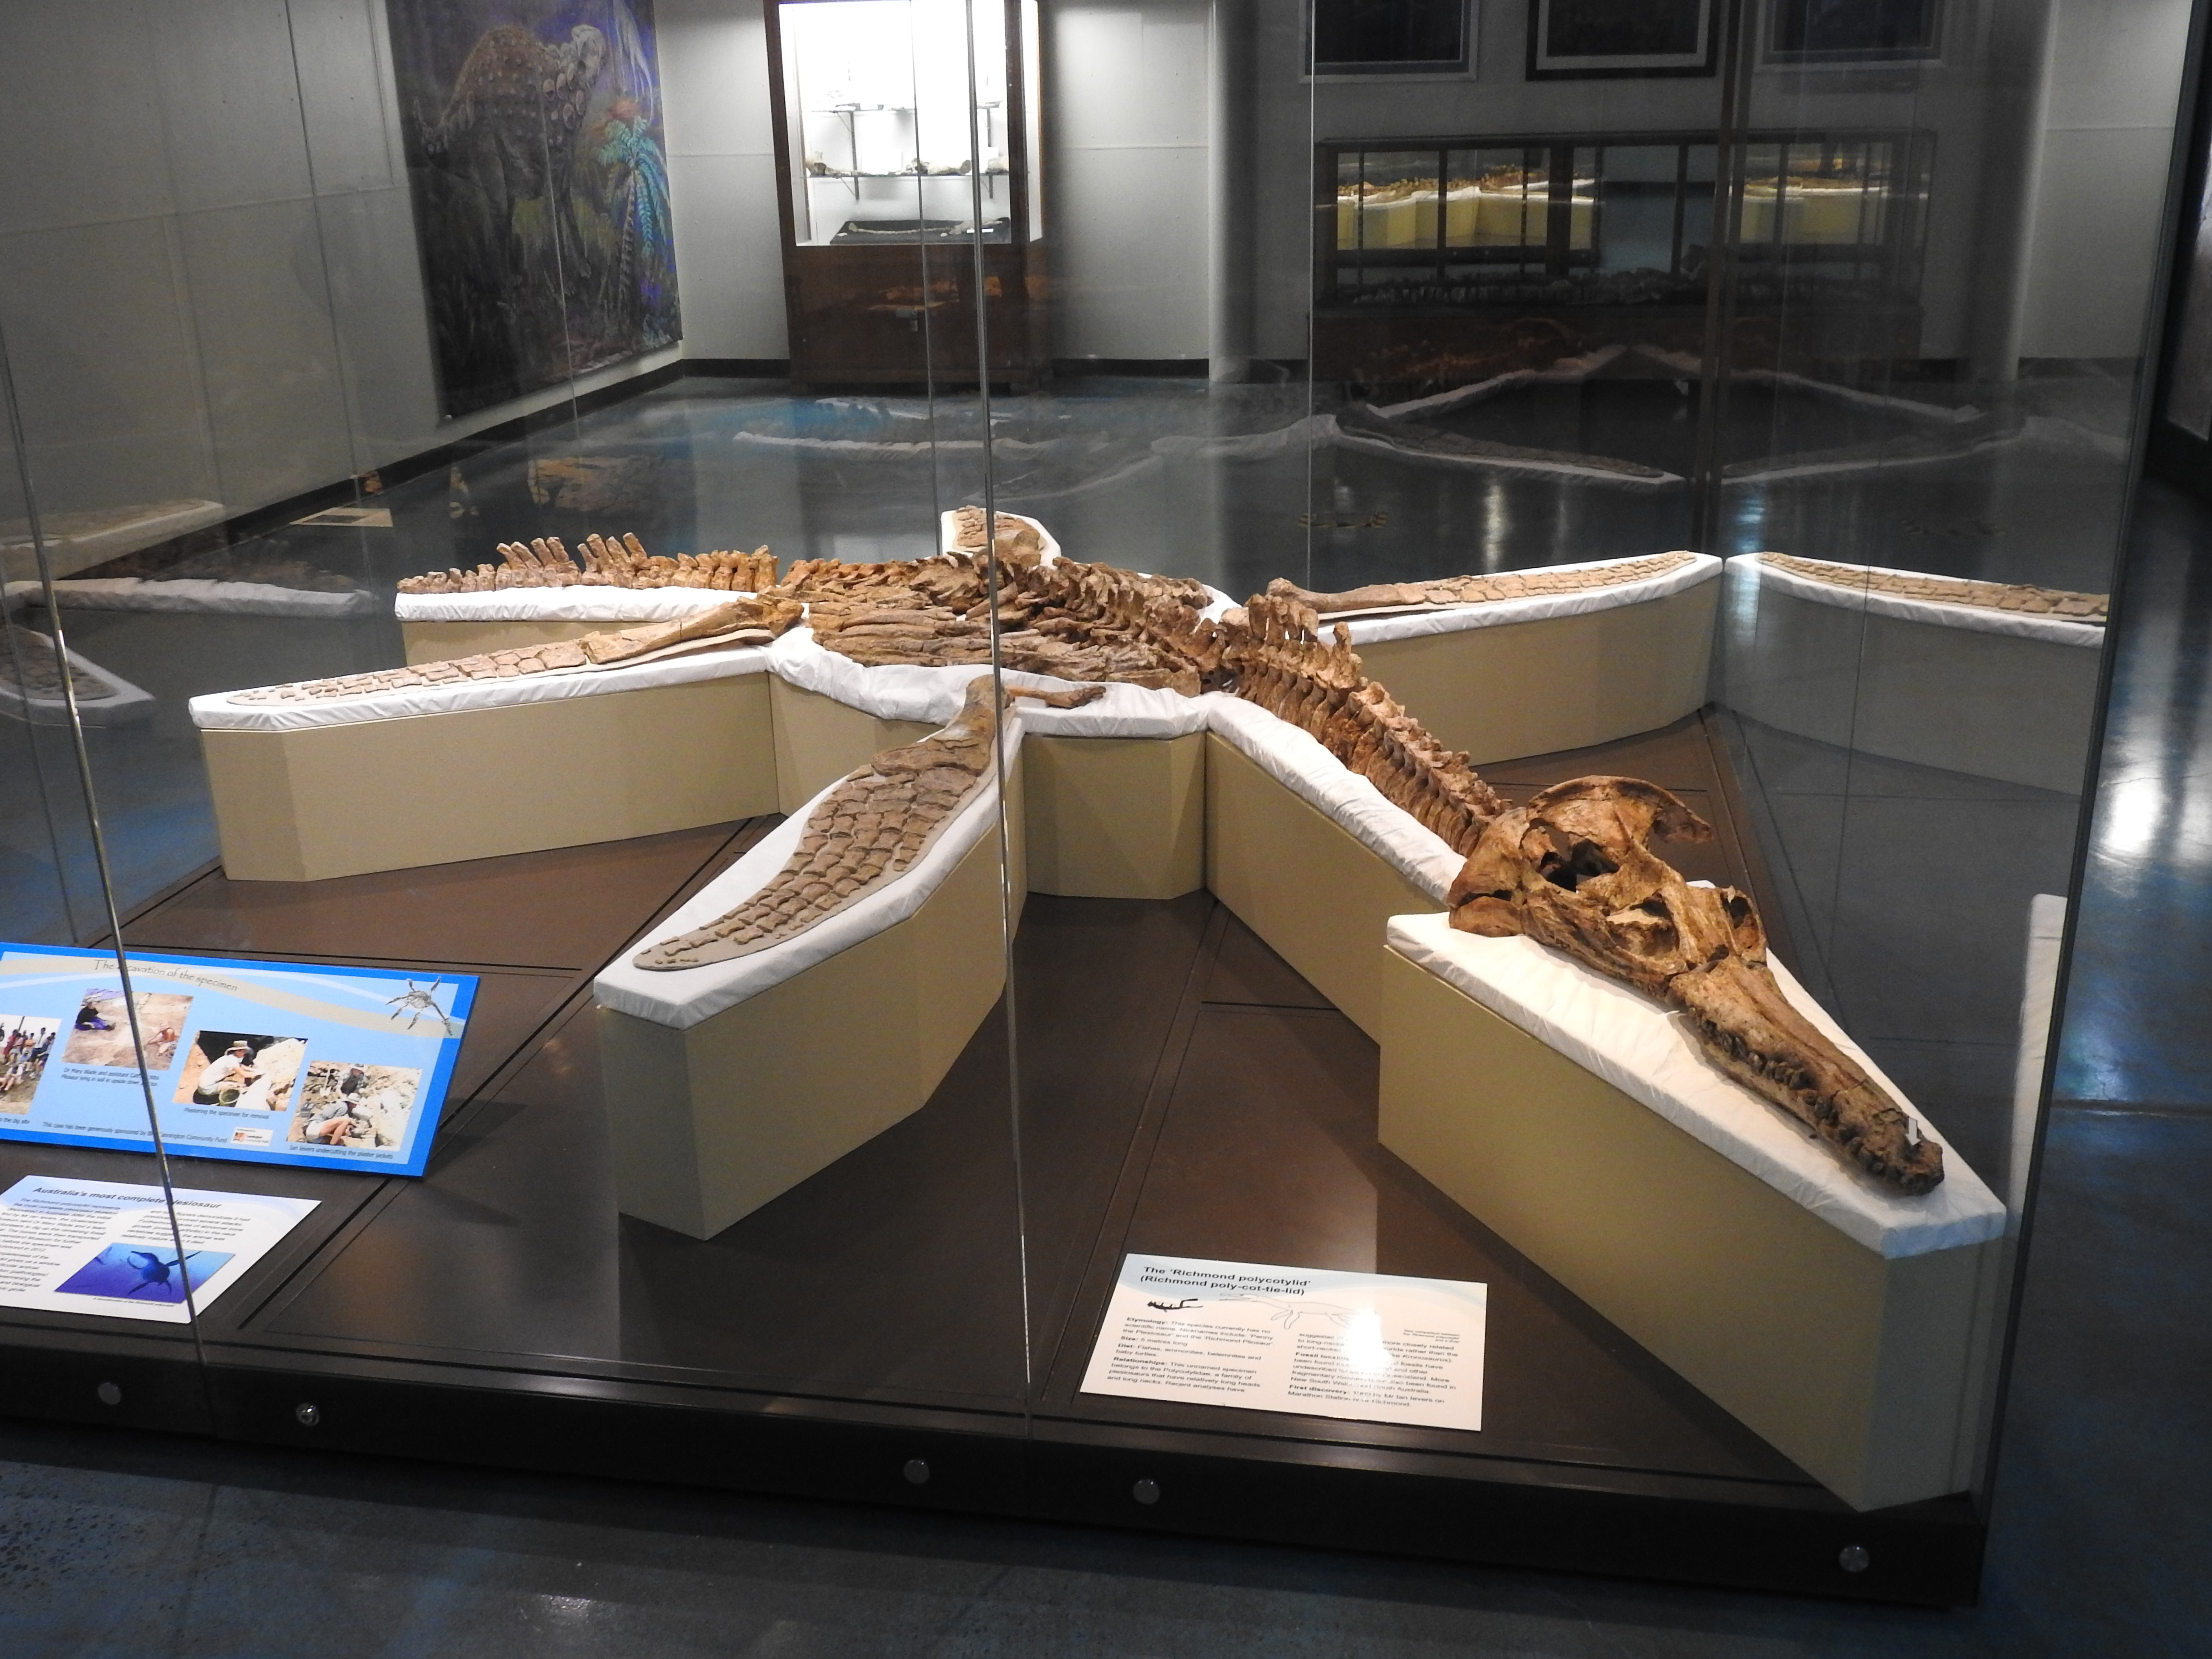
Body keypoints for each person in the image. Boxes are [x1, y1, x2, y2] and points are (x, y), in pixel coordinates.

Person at [191, 1040, 257, 1106]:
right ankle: (219, 1101)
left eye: (245, 1051)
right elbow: (244, 1074)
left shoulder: (232, 1057)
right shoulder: (231, 1061)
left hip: (205, 1084)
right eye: (243, 1051)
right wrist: (256, 1074)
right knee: (236, 1087)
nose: (245, 1053)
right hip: (206, 1088)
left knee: (233, 1083)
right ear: (237, 1051)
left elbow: (240, 1066)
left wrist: (252, 1070)